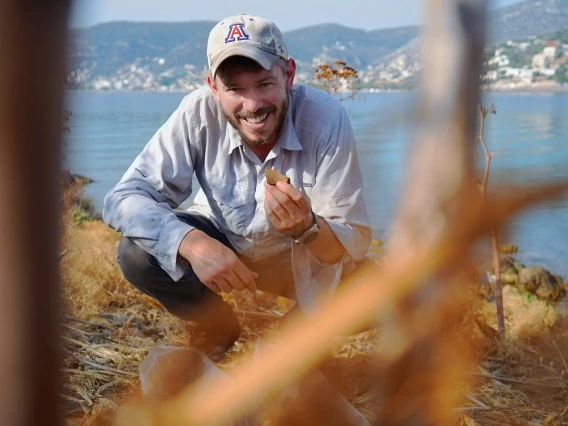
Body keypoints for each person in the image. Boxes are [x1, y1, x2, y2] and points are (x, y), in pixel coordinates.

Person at [103, 13, 371, 360]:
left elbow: (351, 243)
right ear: (213, 87)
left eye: (264, 84)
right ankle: (217, 324)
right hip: (223, 240)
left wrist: (307, 228)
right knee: (137, 255)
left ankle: (291, 339)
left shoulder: (327, 119)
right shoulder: (196, 113)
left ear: (288, 74)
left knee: (386, 293)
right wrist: (193, 244)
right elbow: (123, 198)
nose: (253, 105)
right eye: (234, 89)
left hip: (297, 261)